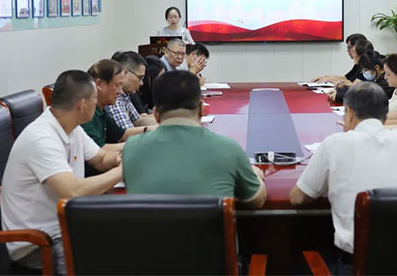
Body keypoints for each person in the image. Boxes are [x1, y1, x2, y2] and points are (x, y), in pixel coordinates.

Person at [290, 82, 397, 274]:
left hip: (355, 265)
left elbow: (297, 198)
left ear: (349, 112)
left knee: (297, 259)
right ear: (385, 113)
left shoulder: (334, 143)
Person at [1, 70, 123, 275]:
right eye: (94, 99)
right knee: (113, 258)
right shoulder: (42, 138)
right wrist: (122, 170)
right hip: (38, 244)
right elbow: (73, 191)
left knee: (126, 235)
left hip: (66, 226)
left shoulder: (72, 127)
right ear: (82, 104)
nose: (97, 103)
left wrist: (125, 157)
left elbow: (101, 159)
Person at [122, 71, 267, 207]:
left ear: (156, 114)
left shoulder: (132, 148)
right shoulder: (228, 148)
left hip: (149, 227)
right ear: (201, 108)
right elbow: (256, 199)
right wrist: (255, 176)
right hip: (208, 228)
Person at [81, 59, 148, 148]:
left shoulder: (102, 109)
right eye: (117, 85)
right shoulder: (86, 113)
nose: (120, 91)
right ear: (99, 84)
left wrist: (152, 130)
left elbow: (121, 135)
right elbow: (99, 150)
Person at [106, 51, 157, 130]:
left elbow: (138, 120)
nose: (141, 83)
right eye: (140, 77)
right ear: (125, 73)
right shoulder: (114, 96)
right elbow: (127, 132)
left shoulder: (125, 94)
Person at [328, 50, 394, 103]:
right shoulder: (377, 79)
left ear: (376, 67)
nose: (364, 73)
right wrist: (338, 91)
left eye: (366, 70)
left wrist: (338, 96)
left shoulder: (385, 82)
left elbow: (363, 96)